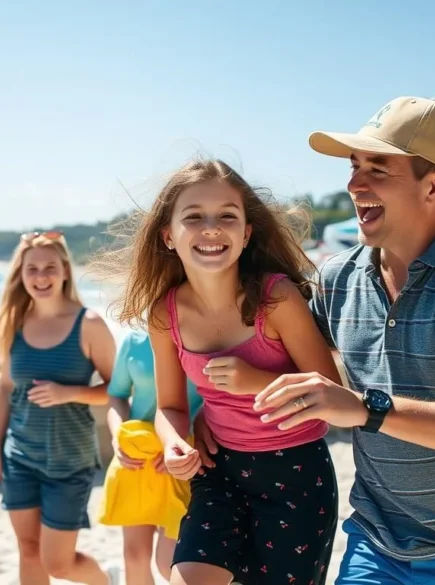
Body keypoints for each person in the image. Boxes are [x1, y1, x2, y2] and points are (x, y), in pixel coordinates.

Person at [244, 96, 435, 584]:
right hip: (375, 541)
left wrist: (368, 409)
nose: (354, 184)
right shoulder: (337, 278)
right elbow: (288, 367)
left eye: (378, 169)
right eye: (354, 166)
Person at [99, 159, 343, 585]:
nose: (211, 228)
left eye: (227, 216)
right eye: (193, 217)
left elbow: (333, 394)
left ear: (246, 233)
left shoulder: (277, 298)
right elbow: (171, 407)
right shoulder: (165, 314)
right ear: (168, 236)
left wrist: (257, 382)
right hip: (220, 472)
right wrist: (174, 443)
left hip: (296, 477)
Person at [0, 231, 121, 585]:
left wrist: (69, 392)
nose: (41, 276)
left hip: (69, 460)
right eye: (32, 269)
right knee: (28, 550)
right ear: (21, 274)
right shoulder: (13, 323)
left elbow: (117, 390)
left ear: (65, 271)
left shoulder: (89, 324)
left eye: (49, 267)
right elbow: (4, 389)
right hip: (19, 457)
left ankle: (107, 580)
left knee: (58, 564)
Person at [103, 330, 205, 584]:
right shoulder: (134, 341)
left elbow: (218, 402)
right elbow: (116, 395)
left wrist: (180, 444)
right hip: (138, 461)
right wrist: (118, 436)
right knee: (134, 556)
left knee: (168, 562)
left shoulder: (205, 337)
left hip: (187, 459)